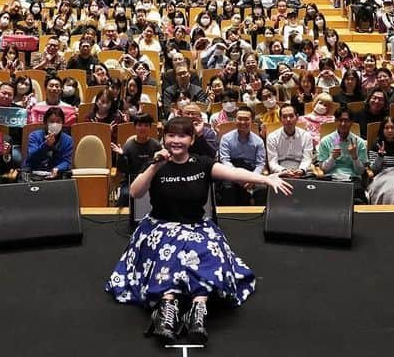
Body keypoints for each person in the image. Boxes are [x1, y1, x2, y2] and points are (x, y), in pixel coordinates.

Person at [105, 116, 293, 345]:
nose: (176, 140)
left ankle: (198, 310)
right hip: (160, 226)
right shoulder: (156, 164)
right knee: (169, 257)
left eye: (182, 135)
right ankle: (166, 308)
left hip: (197, 226)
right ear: (164, 138)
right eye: (171, 135)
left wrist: (265, 179)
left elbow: (233, 174)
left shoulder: (202, 163)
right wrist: (155, 166)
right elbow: (135, 193)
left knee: (209, 254)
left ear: (191, 139)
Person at [216, 107, 267, 206]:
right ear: (235, 120)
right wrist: (237, 176)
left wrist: (252, 178)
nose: (243, 122)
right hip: (231, 170)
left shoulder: (258, 141)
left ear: (252, 121)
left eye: (246, 119)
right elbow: (225, 160)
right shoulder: (226, 138)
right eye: (240, 119)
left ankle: (258, 219)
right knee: (227, 188)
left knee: (262, 188)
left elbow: (260, 164)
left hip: (251, 171)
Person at [315, 106, 368, 197]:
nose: (343, 124)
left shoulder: (359, 143)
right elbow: (323, 169)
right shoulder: (326, 141)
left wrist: (355, 157)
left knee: (359, 200)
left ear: (351, 122)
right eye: (340, 120)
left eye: (346, 121)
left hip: (352, 179)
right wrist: (332, 158)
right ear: (335, 121)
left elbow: (360, 172)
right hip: (331, 178)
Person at [111, 112, 161, 206]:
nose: (143, 128)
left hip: (151, 180)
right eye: (140, 125)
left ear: (150, 127)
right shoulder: (128, 146)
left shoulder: (156, 145)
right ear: (135, 127)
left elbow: (160, 168)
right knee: (125, 194)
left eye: (146, 125)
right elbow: (122, 170)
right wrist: (121, 156)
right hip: (131, 180)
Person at [24, 106, 74, 179]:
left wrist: (58, 168)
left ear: (63, 123)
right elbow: (31, 158)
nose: (55, 124)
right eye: (52, 121)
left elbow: (66, 161)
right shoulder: (34, 136)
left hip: (55, 174)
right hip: (34, 172)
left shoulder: (68, 140)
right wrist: (46, 145)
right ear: (45, 122)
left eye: (58, 121)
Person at [265, 103, 313, 177]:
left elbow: (307, 159)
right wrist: (283, 171)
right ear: (280, 119)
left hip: (300, 171)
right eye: (284, 117)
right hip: (280, 172)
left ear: (297, 117)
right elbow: (272, 162)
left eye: (291, 116)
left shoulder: (306, 136)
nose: (288, 120)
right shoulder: (272, 137)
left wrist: (302, 170)